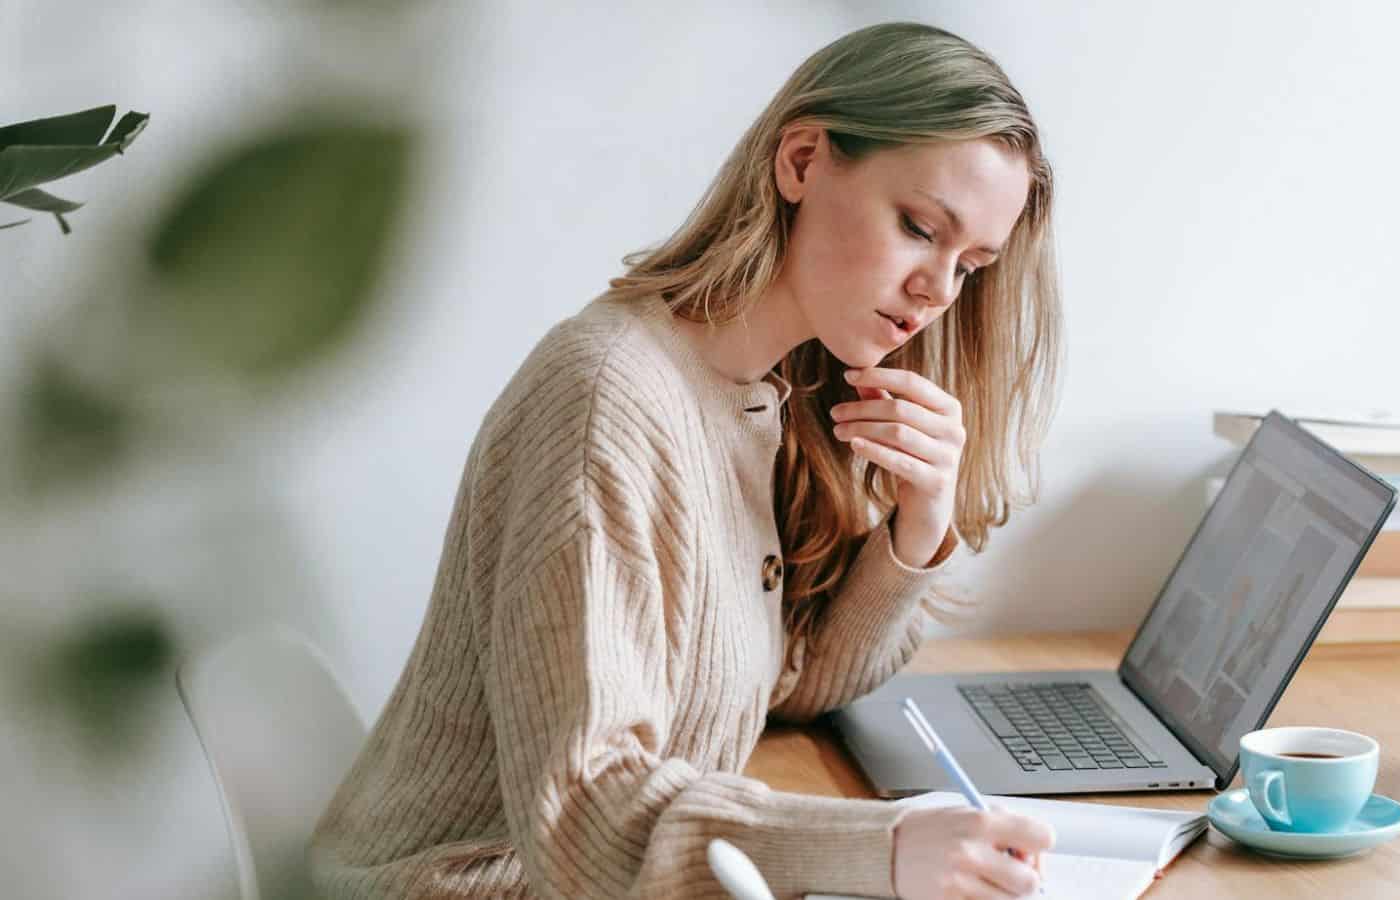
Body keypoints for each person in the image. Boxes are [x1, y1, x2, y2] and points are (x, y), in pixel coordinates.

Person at [311, 20, 1063, 900]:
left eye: (972, 264)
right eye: (918, 228)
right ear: (803, 162)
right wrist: (886, 845)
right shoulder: (606, 398)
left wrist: (917, 527)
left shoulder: (759, 397)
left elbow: (789, 688)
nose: (939, 289)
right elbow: (582, 812)